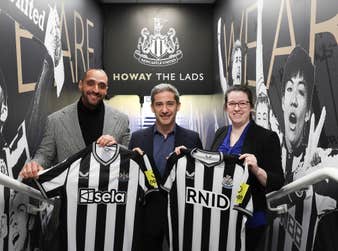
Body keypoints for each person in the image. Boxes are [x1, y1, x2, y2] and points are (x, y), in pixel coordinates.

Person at [209, 85, 284, 251]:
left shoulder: (267, 137)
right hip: (218, 215)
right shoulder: (220, 133)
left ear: (251, 106)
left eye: (242, 103)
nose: (237, 108)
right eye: (232, 103)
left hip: (249, 217)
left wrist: (257, 170)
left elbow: (278, 180)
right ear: (226, 107)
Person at [128, 83, 202, 251]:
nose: (165, 110)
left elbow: (199, 178)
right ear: (152, 107)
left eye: (170, 103)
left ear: (178, 106)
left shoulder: (192, 138)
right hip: (146, 217)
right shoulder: (137, 138)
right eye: (159, 104)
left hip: (181, 216)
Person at [19, 68, 130, 178]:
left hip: (107, 193)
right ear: (81, 85)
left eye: (101, 86)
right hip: (69, 193)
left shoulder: (122, 120)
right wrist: (35, 165)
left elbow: (128, 157)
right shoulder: (55, 121)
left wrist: (116, 148)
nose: (96, 90)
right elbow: (45, 155)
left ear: (106, 90)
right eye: (90, 83)